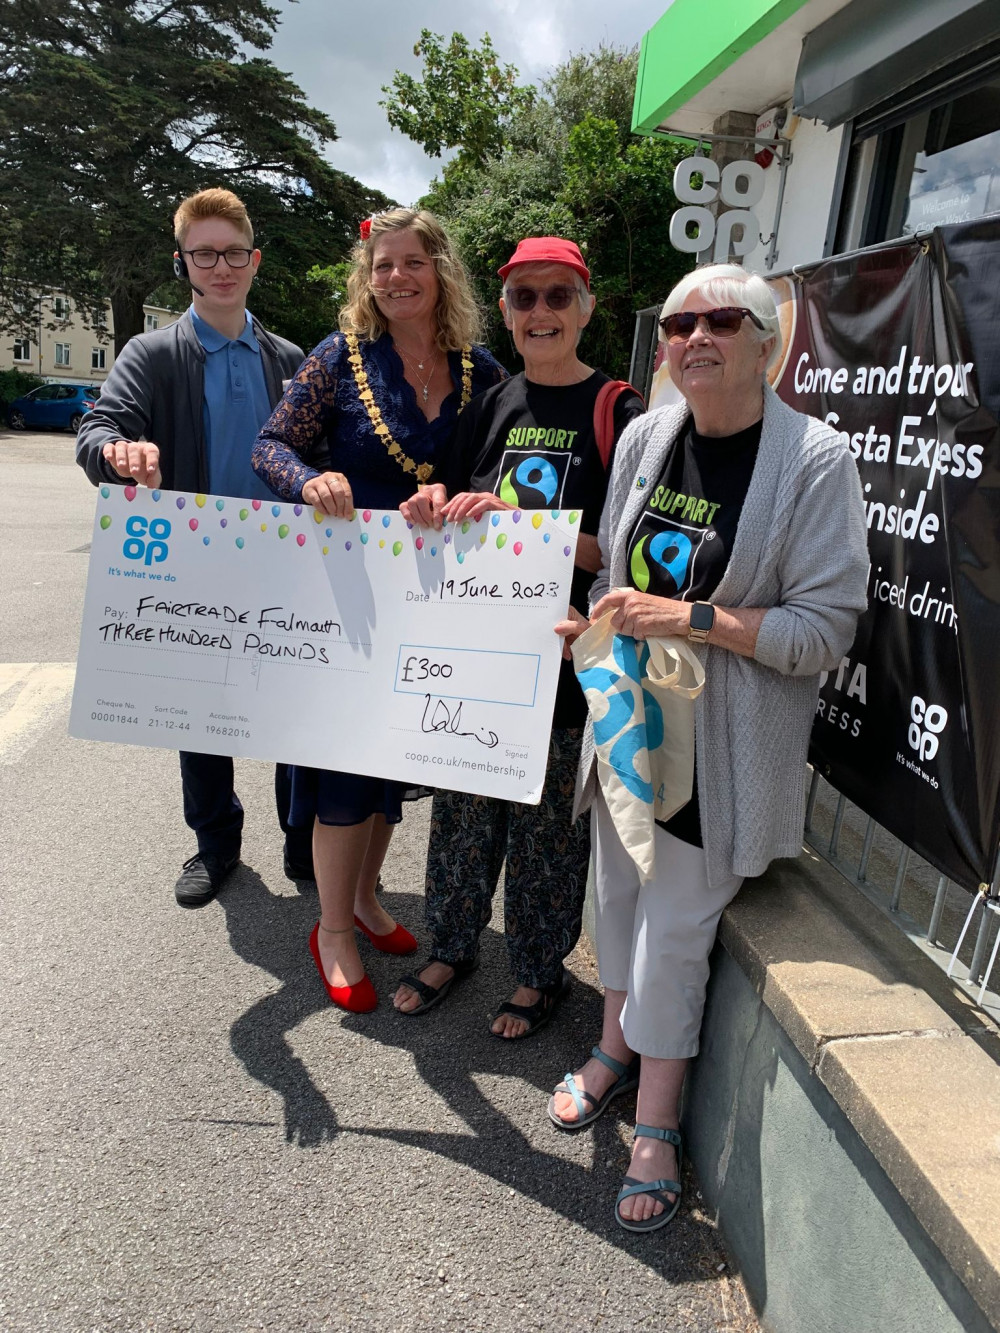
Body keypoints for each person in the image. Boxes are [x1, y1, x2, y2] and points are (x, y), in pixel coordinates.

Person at [546, 262, 869, 1232]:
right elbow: (618, 574)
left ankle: (655, 1122)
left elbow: (823, 632)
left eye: (721, 319)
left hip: (717, 754)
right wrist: (594, 624)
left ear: (767, 343)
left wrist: (691, 617)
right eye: (680, 321)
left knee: (676, 928)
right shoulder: (647, 436)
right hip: (624, 728)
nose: (694, 336)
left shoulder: (814, 460)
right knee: (614, 892)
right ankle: (610, 1049)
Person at [251, 208, 506, 1014]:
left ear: (441, 273)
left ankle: (364, 901)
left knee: (393, 763)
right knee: (342, 768)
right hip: (346, 593)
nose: (394, 277)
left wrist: (476, 496)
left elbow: (506, 462)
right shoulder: (340, 357)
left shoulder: (481, 369)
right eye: (381, 265)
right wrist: (307, 481)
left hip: (431, 604)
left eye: (411, 263)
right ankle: (330, 928)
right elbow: (270, 446)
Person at [392, 237, 644, 1037]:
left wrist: (526, 529)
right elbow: (455, 499)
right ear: (503, 311)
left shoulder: (622, 412)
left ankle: (539, 976)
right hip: (478, 661)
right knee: (463, 817)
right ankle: (451, 946)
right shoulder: (494, 403)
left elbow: (629, 552)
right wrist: (433, 509)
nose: (540, 312)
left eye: (557, 296)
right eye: (524, 297)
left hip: (566, 662)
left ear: (587, 307)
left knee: (546, 835)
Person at [76, 187, 317, 908]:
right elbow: (97, 430)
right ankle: (216, 844)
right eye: (204, 254)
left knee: (291, 708)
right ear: (182, 261)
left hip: (282, 564)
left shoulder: (288, 356)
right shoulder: (152, 354)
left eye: (233, 252)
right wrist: (118, 451)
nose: (221, 266)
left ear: (254, 259)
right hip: (195, 569)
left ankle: (302, 839)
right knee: (199, 715)